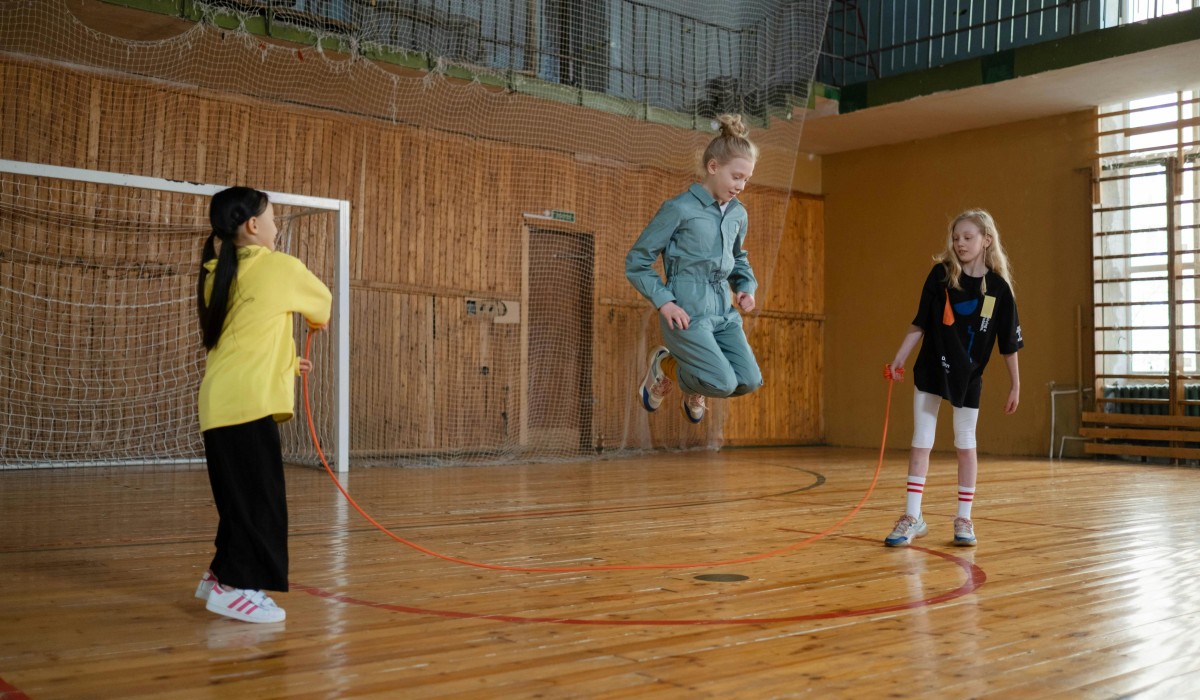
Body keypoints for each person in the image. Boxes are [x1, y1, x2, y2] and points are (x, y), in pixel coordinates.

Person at [193, 187, 332, 623]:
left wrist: (287, 360)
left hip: (219, 405)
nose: (276, 226)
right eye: (273, 218)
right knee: (261, 505)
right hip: (248, 406)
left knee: (241, 500)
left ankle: (219, 577)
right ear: (253, 226)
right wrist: (312, 320)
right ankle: (236, 589)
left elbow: (245, 335)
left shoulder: (217, 273)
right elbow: (322, 305)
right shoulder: (278, 268)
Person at [883, 208, 1022, 547]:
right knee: (921, 441)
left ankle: (964, 519)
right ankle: (912, 517)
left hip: (968, 376)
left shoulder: (999, 291)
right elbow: (920, 322)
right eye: (956, 238)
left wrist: (1016, 383)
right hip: (931, 369)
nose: (960, 243)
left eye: (968, 237)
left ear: (986, 241)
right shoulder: (940, 276)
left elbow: (1008, 344)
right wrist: (899, 357)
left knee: (965, 444)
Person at [625, 114, 763, 424]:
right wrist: (665, 302)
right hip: (687, 313)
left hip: (724, 314)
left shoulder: (738, 214)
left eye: (746, 179)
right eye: (736, 177)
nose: (741, 186)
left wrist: (745, 287)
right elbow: (637, 262)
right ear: (714, 167)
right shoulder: (679, 209)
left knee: (749, 381)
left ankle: (690, 376)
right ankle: (666, 366)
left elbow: (739, 259)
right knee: (723, 382)